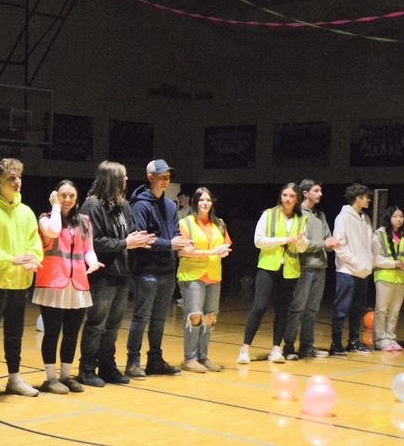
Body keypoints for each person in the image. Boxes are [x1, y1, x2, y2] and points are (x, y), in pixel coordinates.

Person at [77, 161, 155, 387]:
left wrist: (138, 239)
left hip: (122, 275)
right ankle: (87, 368)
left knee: (113, 325)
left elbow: (129, 234)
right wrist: (125, 242)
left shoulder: (123, 206)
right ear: (111, 179)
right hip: (102, 276)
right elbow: (92, 241)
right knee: (97, 323)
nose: (126, 181)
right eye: (123, 177)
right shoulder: (92, 206)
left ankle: (107, 366)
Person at [0, 158, 43, 401]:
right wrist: (11, 260)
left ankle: (14, 378)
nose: (16, 182)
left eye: (19, 178)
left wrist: (32, 260)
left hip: (19, 284)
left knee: (15, 335)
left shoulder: (26, 212)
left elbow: (34, 244)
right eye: (10, 179)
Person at [35, 180, 102, 394]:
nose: (67, 199)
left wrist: (92, 262)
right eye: (63, 195)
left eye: (71, 196)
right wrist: (54, 206)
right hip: (53, 284)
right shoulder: (46, 219)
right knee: (52, 333)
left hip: (77, 285)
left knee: (72, 334)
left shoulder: (84, 221)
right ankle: (50, 378)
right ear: (55, 196)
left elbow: (88, 249)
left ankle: (66, 375)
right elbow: (54, 232)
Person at [126, 159, 189, 378]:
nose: (166, 181)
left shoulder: (171, 205)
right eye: (162, 177)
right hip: (147, 270)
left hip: (167, 270)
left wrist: (182, 243)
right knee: (141, 317)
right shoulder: (140, 205)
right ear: (150, 177)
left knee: (160, 318)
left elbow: (174, 232)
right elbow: (143, 239)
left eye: (168, 177)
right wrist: (170, 244)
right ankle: (133, 361)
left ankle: (155, 360)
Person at [237, 183, 307, 365]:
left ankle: (276, 348)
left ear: (297, 199)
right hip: (268, 266)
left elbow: (302, 247)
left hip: (290, 269)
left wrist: (300, 242)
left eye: (292, 196)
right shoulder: (268, 214)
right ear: (281, 197)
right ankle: (245, 349)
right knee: (259, 307)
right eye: (285, 195)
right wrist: (284, 240)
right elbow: (258, 241)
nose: (288, 199)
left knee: (283, 309)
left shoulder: (301, 218)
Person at [282, 180, 339, 360]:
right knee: (297, 308)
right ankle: (289, 347)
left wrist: (331, 244)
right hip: (304, 267)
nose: (320, 194)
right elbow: (303, 244)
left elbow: (328, 238)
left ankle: (307, 347)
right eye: (316, 190)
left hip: (320, 268)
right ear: (305, 193)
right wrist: (324, 243)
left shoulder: (320, 215)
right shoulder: (298, 214)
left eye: (320, 190)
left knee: (312, 310)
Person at [176, 188, 231, 373]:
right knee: (195, 316)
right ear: (195, 202)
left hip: (214, 274)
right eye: (201, 200)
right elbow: (183, 251)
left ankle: (202, 356)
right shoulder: (186, 223)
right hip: (192, 275)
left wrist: (222, 251)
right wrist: (211, 252)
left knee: (210, 317)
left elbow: (225, 245)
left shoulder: (220, 223)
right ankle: (189, 358)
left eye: (208, 200)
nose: (205, 203)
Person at [329, 183, 374, 355]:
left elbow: (367, 244)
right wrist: (355, 262)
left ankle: (354, 341)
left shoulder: (365, 218)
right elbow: (338, 245)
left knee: (358, 310)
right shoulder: (343, 217)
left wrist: (367, 264)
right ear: (357, 198)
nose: (369, 199)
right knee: (342, 308)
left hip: (363, 272)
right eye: (366, 196)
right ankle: (336, 344)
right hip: (347, 271)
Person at [371, 205, 404, 351]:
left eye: (401, 216)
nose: (399, 219)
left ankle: (390, 337)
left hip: (401, 277)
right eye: (395, 216)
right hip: (384, 276)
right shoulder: (379, 234)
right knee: (382, 310)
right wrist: (393, 264)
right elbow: (376, 258)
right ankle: (380, 339)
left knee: (395, 310)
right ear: (389, 218)